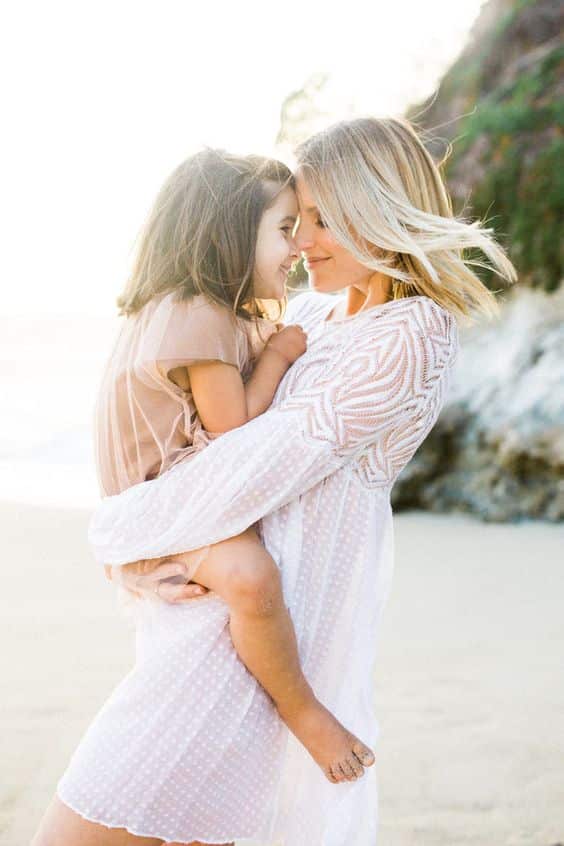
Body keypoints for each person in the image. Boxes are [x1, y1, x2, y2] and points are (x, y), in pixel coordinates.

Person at [33, 117, 516, 846]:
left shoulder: (408, 335)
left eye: (324, 220)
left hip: (249, 656)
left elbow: (244, 471)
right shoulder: (317, 314)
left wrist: (119, 534)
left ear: (379, 213)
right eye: (298, 221)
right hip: (209, 632)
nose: (302, 243)